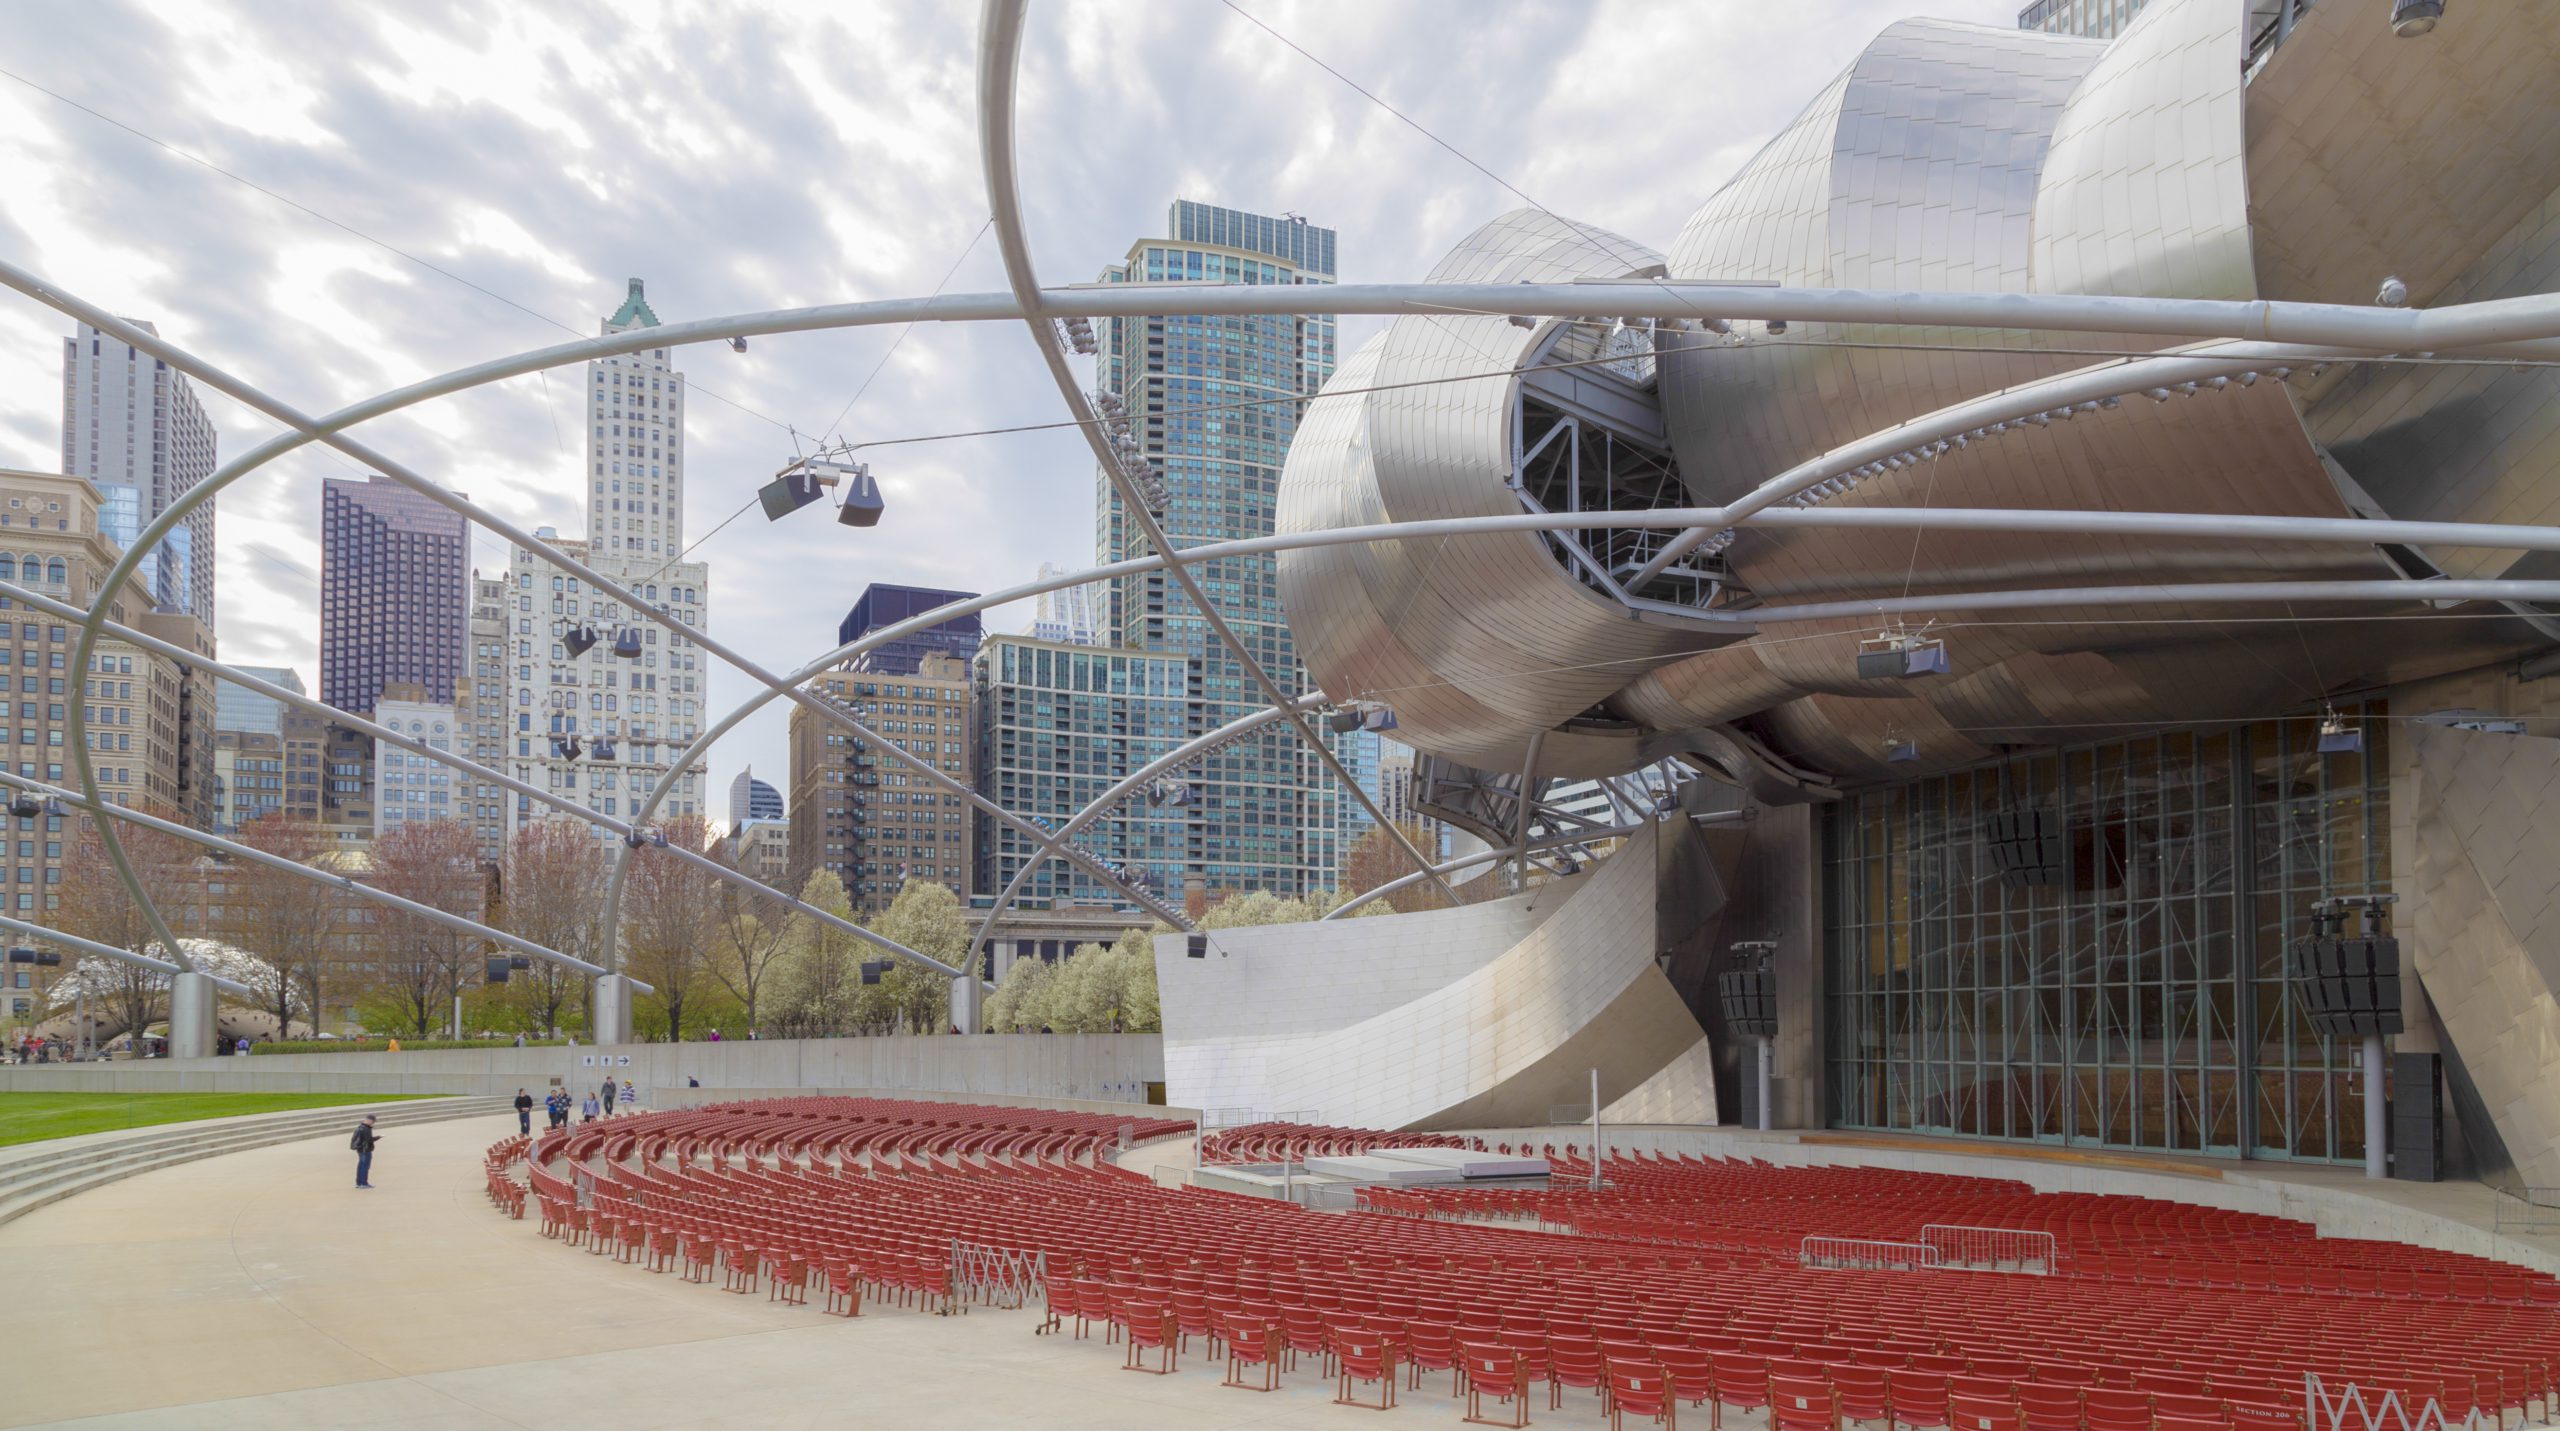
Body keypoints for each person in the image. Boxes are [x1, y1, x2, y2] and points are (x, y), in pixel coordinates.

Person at [350, 1115, 380, 1189]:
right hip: (365, 1150)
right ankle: (363, 1183)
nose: (373, 1123)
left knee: (361, 1166)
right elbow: (369, 1140)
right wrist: (378, 1137)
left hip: (360, 1150)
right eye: (373, 1122)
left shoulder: (360, 1127)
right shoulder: (366, 1129)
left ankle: (359, 1183)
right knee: (365, 1167)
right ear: (370, 1120)